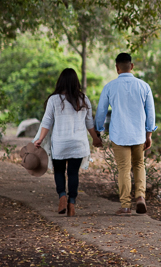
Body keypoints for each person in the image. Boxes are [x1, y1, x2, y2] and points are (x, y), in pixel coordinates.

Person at [34, 68, 103, 217]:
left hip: (60, 143)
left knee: (59, 171)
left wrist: (40, 139)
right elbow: (89, 123)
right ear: (75, 82)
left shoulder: (54, 100)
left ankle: (62, 196)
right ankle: (72, 203)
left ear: (61, 82)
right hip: (78, 144)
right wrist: (96, 139)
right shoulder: (83, 99)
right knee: (73, 173)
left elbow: (47, 122)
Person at [95, 52, 156, 215]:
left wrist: (98, 131)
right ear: (132, 66)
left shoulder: (110, 87)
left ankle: (125, 206)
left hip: (119, 134)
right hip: (138, 134)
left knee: (123, 168)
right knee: (139, 165)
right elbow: (151, 113)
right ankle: (140, 197)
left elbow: (101, 111)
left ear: (117, 68)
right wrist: (149, 134)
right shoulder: (144, 86)